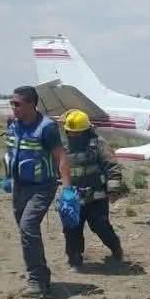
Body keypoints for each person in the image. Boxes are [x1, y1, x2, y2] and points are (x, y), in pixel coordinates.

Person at [3, 86, 73, 298]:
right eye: (11, 103)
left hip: (42, 187)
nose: (13, 107)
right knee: (26, 232)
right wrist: (7, 175)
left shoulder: (47, 128)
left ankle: (36, 280)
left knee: (28, 227)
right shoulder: (12, 123)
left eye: (17, 104)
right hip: (19, 186)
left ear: (32, 104)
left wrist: (67, 189)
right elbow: (12, 149)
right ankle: (41, 277)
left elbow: (61, 157)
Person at [59, 109, 125, 270]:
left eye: (77, 133)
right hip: (73, 197)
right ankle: (75, 259)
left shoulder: (98, 144)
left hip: (97, 196)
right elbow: (58, 169)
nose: (73, 135)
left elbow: (112, 166)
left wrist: (113, 189)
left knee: (100, 226)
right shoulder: (63, 147)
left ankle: (116, 249)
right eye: (70, 132)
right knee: (72, 229)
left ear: (86, 130)